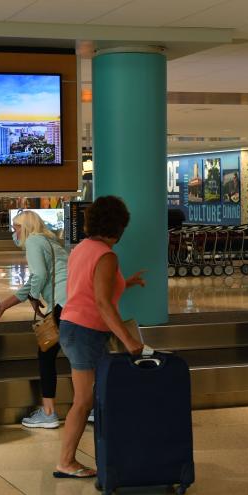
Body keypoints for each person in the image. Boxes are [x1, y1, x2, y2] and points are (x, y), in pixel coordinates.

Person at [54, 196, 146, 479]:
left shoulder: (83, 248)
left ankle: (72, 460)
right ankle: (66, 462)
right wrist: (129, 341)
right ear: (118, 227)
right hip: (86, 332)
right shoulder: (106, 255)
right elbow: (103, 304)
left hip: (73, 326)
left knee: (86, 399)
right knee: (83, 401)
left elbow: (88, 286)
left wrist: (125, 282)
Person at [0, 210, 69, 429]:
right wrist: (4, 306)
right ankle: (93, 407)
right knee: (79, 356)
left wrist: (34, 298)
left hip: (63, 303)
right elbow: (32, 283)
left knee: (46, 353)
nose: (14, 232)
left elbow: (40, 276)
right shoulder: (50, 242)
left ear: (26, 227)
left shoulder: (34, 241)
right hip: (75, 302)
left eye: (16, 228)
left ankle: (48, 413)